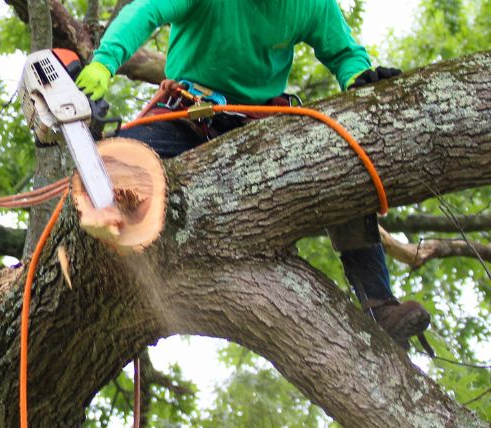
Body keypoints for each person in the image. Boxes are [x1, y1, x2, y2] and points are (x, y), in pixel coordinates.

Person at [75, 0, 430, 347]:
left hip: (260, 128)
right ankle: (112, 260)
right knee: (118, 167)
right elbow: (146, 10)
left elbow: (343, 53)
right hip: (187, 116)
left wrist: (357, 77)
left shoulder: (311, 4)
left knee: (342, 163)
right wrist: (105, 63)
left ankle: (379, 306)